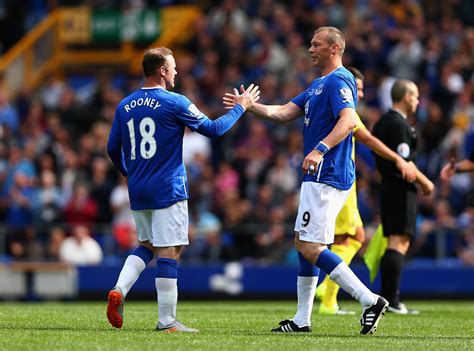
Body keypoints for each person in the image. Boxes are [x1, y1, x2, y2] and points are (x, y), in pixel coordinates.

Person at [224, 26, 388, 335]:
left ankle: (369, 299)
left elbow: (350, 120)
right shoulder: (316, 85)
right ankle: (302, 319)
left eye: (316, 45)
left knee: (311, 246)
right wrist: (247, 106)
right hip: (317, 176)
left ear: (334, 49)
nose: (310, 49)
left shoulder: (340, 79)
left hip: (327, 174)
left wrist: (320, 149)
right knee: (303, 243)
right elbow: (283, 112)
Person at [106, 47, 260, 332]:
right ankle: (167, 320)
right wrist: (242, 106)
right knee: (170, 250)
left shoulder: (124, 105)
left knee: (147, 245)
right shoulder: (175, 102)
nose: (176, 72)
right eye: (173, 67)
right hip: (168, 187)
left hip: (138, 188)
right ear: (162, 71)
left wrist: (128, 172)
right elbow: (214, 129)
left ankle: (119, 289)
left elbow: (112, 148)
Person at [316, 67, 417, 316]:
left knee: (342, 238)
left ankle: (327, 293)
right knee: (353, 238)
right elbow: (369, 140)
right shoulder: (346, 111)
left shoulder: (331, 105)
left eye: (360, 89)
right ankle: (327, 295)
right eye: (357, 88)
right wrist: (399, 159)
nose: (359, 94)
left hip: (334, 179)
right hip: (339, 181)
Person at [372, 79, 434, 314]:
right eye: (415, 96)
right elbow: (404, 163)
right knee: (399, 242)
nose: (418, 101)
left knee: (395, 242)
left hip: (389, 187)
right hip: (400, 189)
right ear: (406, 96)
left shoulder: (384, 121)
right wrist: (426, 183)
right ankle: (391, 300)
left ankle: (389, 298)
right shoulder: (397, 124)